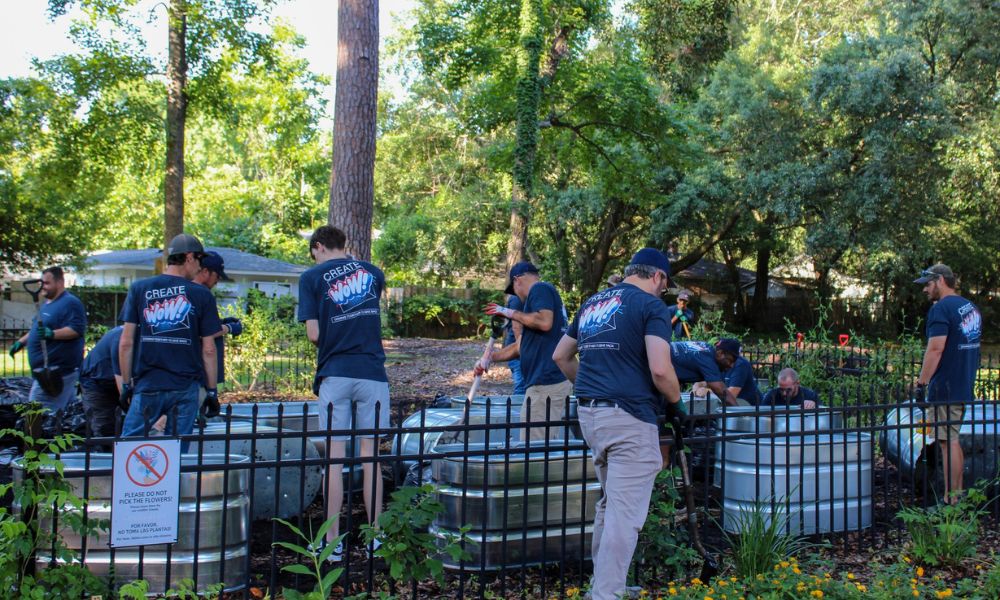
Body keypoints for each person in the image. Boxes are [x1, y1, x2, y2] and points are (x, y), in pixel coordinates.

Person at [552, 247, 681, 600]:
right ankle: (606, 594)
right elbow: (660, 368)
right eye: (664, 286)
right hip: (628, 419)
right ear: (658, 276)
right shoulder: (651, 306)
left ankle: (605, 585)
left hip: (591, 415)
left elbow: (560, 355)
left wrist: (591, 386)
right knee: (625, 514)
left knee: (611, 505)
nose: (662, 293)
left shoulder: (592, 303)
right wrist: (676, 401)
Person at [298, 225, 389, 562]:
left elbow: (313, 333)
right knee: (372, 458)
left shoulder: (311, 278)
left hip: (336, 374)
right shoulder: (374, 273)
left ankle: (332, 542)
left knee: (334, 460)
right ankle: (376, 537)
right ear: (344, 244)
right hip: (373, 374)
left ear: (319, 247)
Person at [118, 233, 222, 447]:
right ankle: (172, 481)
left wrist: (127, 385)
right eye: (200, 261)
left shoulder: (140, 289)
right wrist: (211, 391)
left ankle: (134, 481)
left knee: (129, 449)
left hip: (148, 384)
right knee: (175, 453)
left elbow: (126, 342)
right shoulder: (201, 295)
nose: (200, 268)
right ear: (190, 257)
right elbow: (209, 349)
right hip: (185, 388)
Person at [148, 250, 243, 434]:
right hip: (191, 373)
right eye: (216, 275)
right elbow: (197, 332)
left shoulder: (186, 292)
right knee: (176, 424)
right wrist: (229, 328)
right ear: (205, 271)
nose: (217, 281)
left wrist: (221, 323)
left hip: (183, 373)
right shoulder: (195, 293)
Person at [479, 261, 571, 442]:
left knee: (534, 449)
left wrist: (508, 312)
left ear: (517, 280)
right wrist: (490, 357)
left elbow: (545, 322)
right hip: (541, 384)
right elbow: (521, 346)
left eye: (513, 290)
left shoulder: (540, 288)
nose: (517, 298)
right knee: (535, 443)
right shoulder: (534, 306)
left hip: (546, 382)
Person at [913, 264, 982, 503]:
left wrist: (921, 383)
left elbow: (935, 349)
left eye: (928, 284)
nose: (925, 290)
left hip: (945, 386)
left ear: (940, 280)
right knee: (951, 439)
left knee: (946, 441)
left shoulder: (941, 309)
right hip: (963, 383)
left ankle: (951, 499)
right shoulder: (969, 307)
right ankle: (956, 494)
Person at [8, 267, 87, 413]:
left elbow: (76, 329)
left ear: (60, 283)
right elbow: (36, 330)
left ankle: (40, 436)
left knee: (36, 414)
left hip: (56, 372)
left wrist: (52, 334)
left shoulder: (70, 303)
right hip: (44, 372)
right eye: (41, 283)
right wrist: (21, 342)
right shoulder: (47, 305)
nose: (42, 287)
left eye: (46, 283)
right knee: (61, 414)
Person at [79, 325, 124, 440]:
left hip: (112, 377)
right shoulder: (121, 339)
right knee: (103, 428)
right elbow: (123, 386)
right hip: (95, 381)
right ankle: (104, 453)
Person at [670, 340, 740, 406]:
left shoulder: (707, 349)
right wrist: (740, 414)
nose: (731, 365)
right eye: (730, 360)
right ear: (720, 353)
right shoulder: (707, 359)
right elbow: (720, 390)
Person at [716, 338, 762, 405]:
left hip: (750, 407)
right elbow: (700, 383)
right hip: (734, 406)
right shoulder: (717, 362)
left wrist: (708, 390)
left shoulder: (741, 364)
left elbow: (731, 395)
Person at [504, 294, 526, 395]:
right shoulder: (517, 298)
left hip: (520, 350)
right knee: (521, 387)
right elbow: (516, 326)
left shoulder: (523, 297)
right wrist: (522, 351)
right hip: (517, 352)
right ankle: (517, 410)